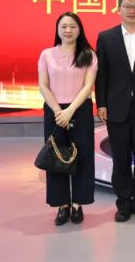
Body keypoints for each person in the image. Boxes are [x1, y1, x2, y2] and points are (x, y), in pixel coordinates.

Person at [95, 0, 135, 222]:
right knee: (120, 158)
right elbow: (101, 74)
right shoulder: (106, 37)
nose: (131, 11)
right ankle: (123, 204)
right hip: (116, 107)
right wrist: (101, 103)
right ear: (118, 9)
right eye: (127, 6)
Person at [38, 12, 97, 226]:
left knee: (82, 156)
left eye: (73, 26)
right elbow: (43, 85)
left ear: (79, 29)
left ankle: (78, 204)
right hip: (54, 111)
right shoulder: (47, 55)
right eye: (64, 26)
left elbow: (88, 87)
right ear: (57, 30)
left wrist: (70, 110)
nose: (68, 30)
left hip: (79, 110)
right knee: (56, 156)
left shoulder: (89, 55)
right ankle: (61, 204)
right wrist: (58, 111)